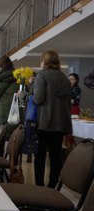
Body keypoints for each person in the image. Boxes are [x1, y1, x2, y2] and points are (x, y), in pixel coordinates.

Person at [33, 50, 72, 188]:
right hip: (61, 123)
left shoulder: (42, 76)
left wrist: (29, 92)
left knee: (40, 156)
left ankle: (39, 186)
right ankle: (52, 186)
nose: (41, 62)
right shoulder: (65, 78)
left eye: (41, 60)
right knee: (55, 157)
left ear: (45, 61)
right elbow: (68, 103)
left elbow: (38, 99)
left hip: (45, 122)